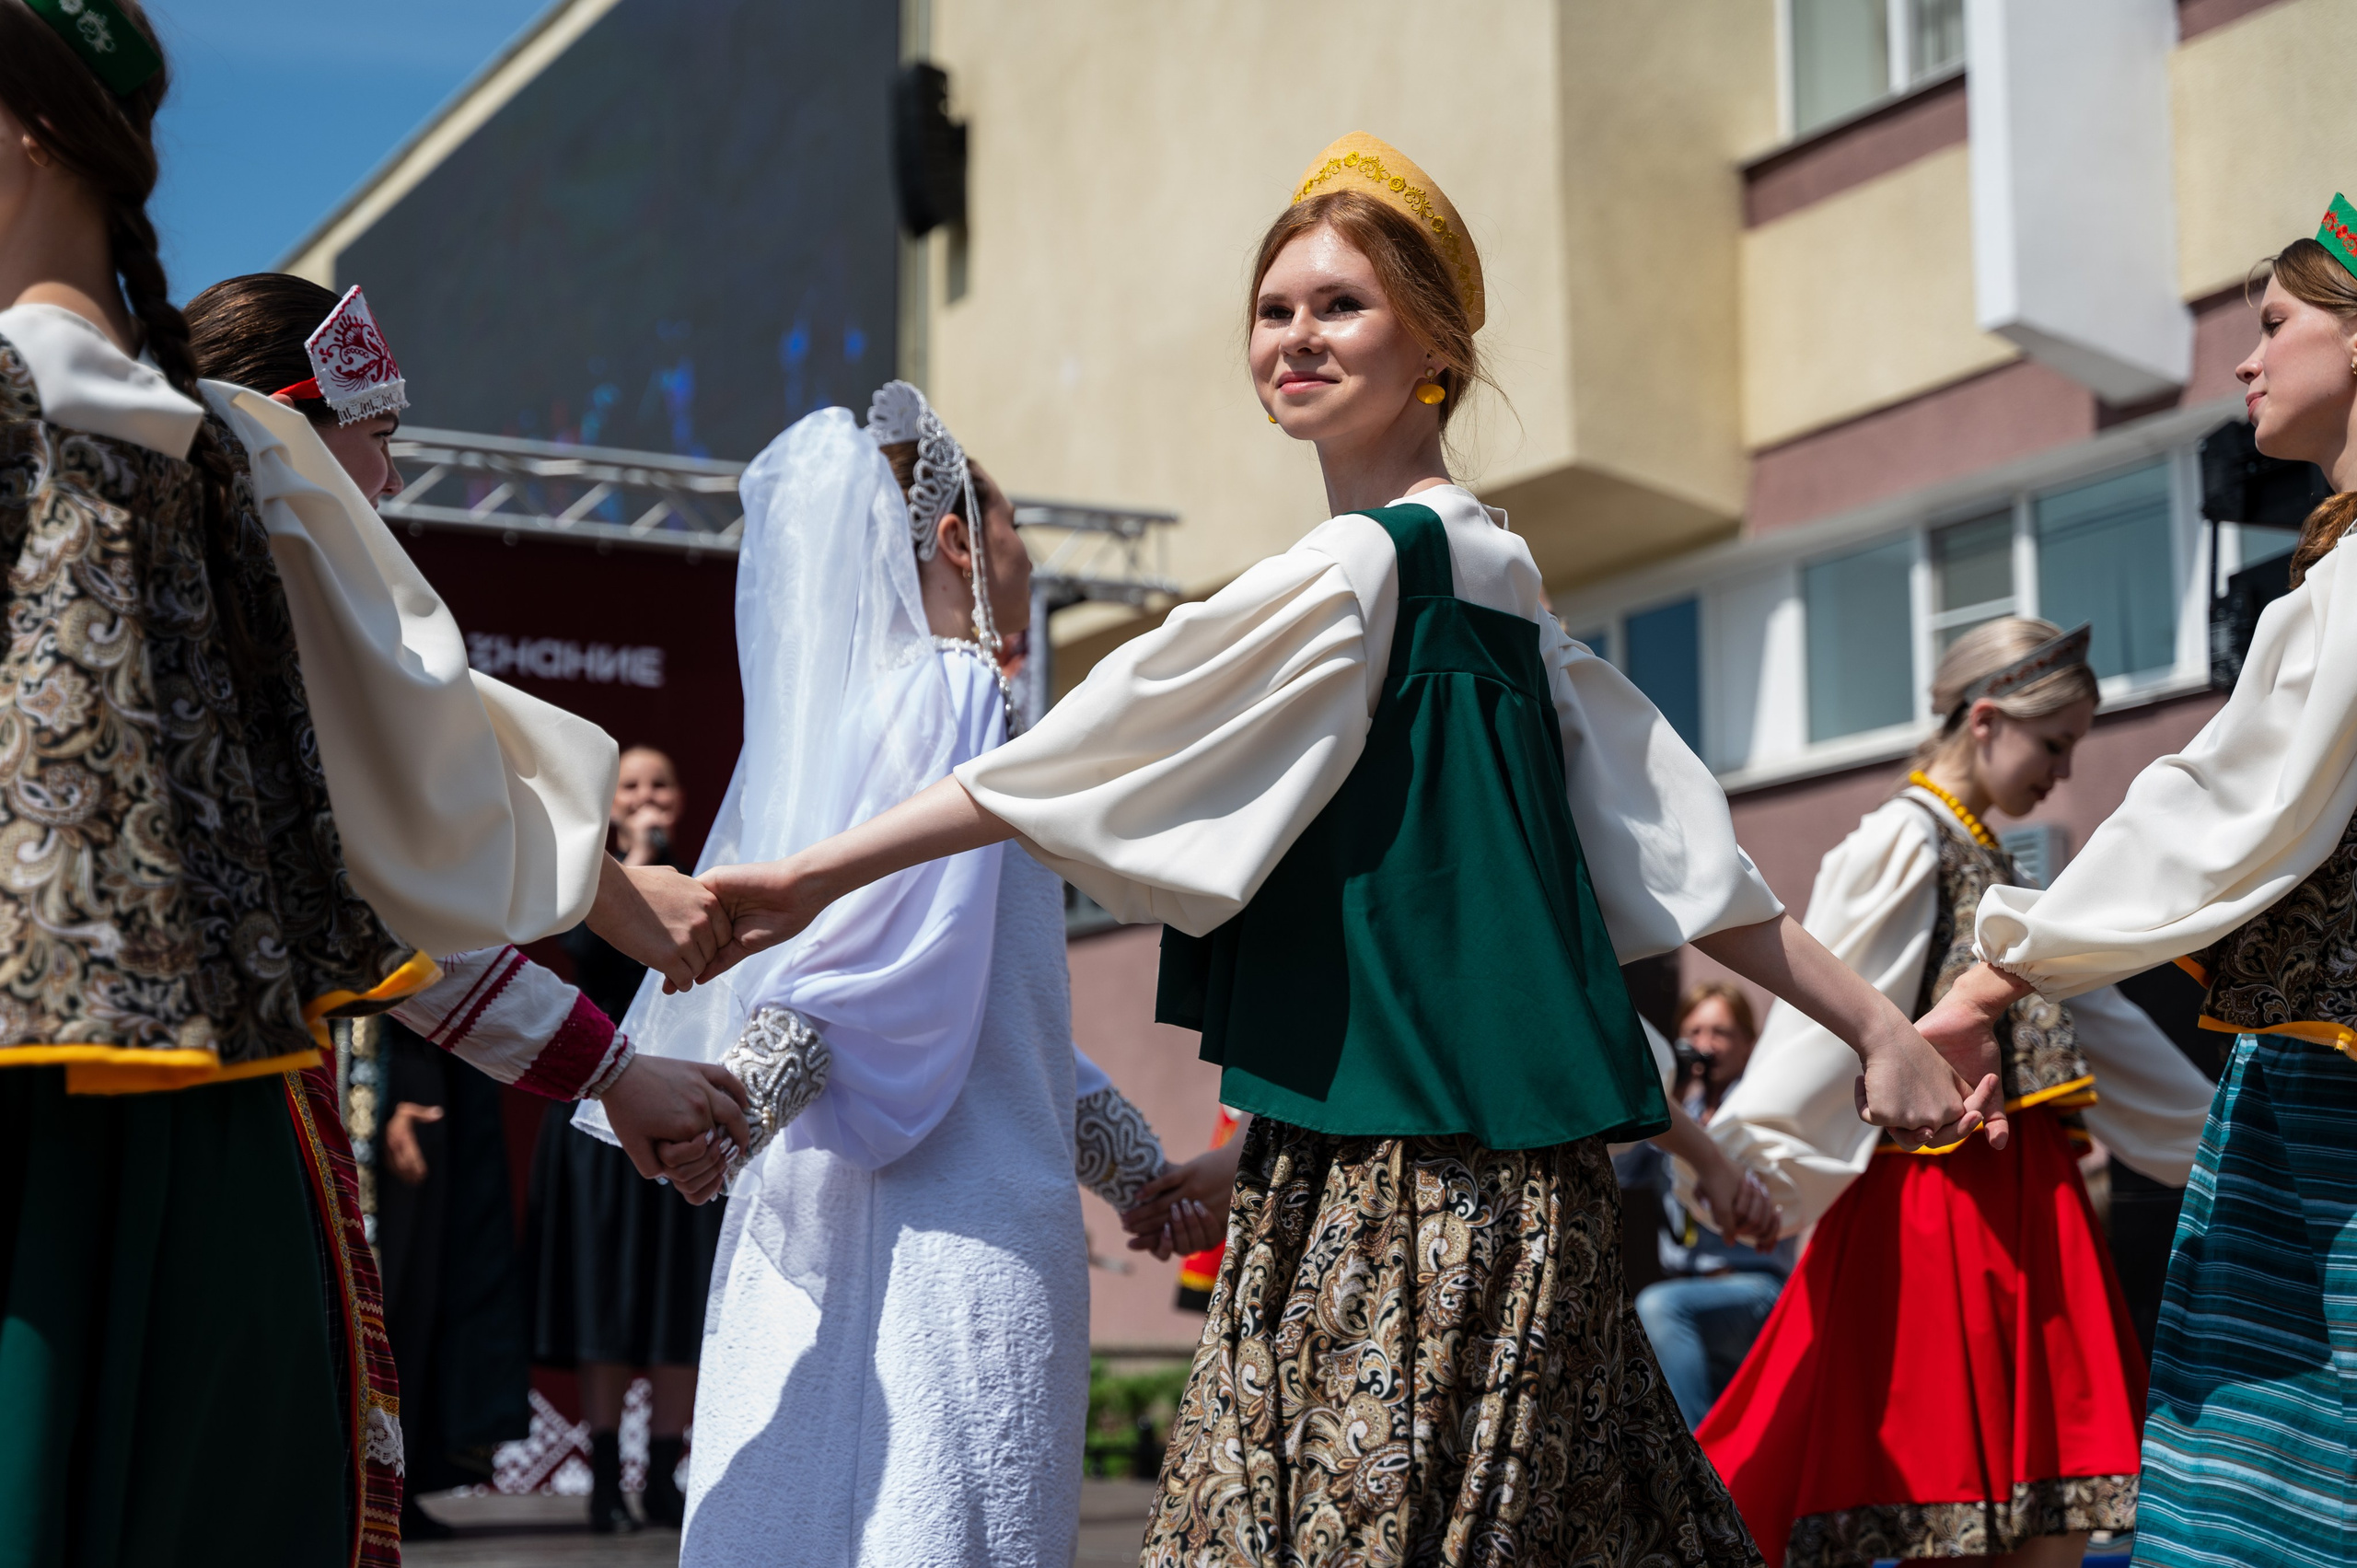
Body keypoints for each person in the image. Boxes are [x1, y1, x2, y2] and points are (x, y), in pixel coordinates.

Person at [686, 132, 2001, 1566]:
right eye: (1275, 307)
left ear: (1437, 344)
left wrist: (808, 878)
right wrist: (1872, 1022)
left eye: (1340, 305)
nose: (1296, 335)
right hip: (1436, 1182)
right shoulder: (1488, 567)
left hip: (1414, 1200)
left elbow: (1094, 744)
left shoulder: (1376, 565)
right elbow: (1647, 859)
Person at [0, 39, 738, 1555]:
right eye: (378, 431)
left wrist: (610, 1031)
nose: (389, 469)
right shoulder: (219, 465)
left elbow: (395, 866)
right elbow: (432, 813)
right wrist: (617, 942)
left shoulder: (192, 468)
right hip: (162, 1141)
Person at [601, 379, 1180, 1567]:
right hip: (944, 1236)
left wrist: (1141, 1172)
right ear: (962, 538)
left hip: (817, 1226)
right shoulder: (965, 692)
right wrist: (740, 1105)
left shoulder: (859, 719)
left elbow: (988, 1013)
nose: (1025, 556)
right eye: (1014, 527)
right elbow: (864, 972)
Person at [1916, 203, 2357, 1568]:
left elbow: (2218, 805)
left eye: (2275, 324)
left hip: (2327, 1105)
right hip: (2023, 1177)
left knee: (2271, 1478)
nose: (2245, 364)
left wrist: (1992, 975)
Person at [1694, 619, 2214, 1568]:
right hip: (1939, 1209)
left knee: (2054, 1519)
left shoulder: (2002, 867)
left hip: (2037, 1207)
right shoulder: (1905, 839)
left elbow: (2109, 1032)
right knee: (1957, 1522)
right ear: (1984, 720)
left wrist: (2218, 1139)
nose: (2061, 772)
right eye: (2053, 743)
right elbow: (1830, 1017)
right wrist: (1749, 1159)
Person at [529, 744, 726, 1531]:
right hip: (597, 1108)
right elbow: (581, 959)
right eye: (632, 787)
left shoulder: (709, 879)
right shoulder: (589, 876)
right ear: (612, 805)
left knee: (680, 1294)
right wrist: (633, 863)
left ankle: (669, 1469)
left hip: (682, 1104)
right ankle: (606, 1470)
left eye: (660, 784)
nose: (647, 796)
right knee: (603, 1293)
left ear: (679, 798)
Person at [1624, 983, 1797, 1428]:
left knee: (1660, 1308)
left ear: (1748, 1044)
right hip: (1688, 1292)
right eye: (1694, 1030)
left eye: (1720, 1032)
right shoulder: (1683, 1111)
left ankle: (1697, 1472)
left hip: (1754, 1288)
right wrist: (1671, 1099)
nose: (1704, 1045)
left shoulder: (1763, 1111)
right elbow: (1622, 1172)